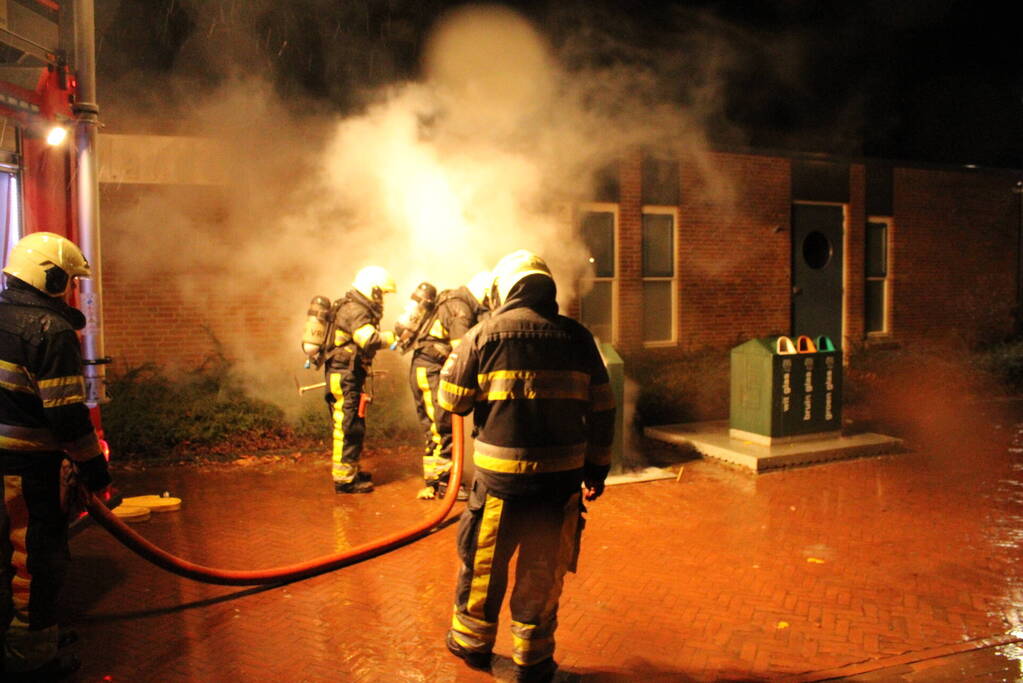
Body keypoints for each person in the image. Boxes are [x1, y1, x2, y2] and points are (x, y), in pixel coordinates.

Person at [438, 250, 615, 682]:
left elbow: (451, 401)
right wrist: (597, 469)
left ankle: (472, 644)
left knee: (484, 566)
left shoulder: (484, 334)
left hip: (501, 487)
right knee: (543, 571)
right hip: (560, 488)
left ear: (505, 288)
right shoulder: (579, 338)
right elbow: (604, 409)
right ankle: (533, 659)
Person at [0, 232, 111, 678]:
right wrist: (94, 468)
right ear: (48, 276)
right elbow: (66, 416)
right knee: (34, 562)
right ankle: (32, 657)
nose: (68, 289)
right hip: (27, 468)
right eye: (67, 280)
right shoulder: (52, 331)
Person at [409, 270, 490, 501]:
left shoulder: (457, 302)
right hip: (430, 370)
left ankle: (438, 480)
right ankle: (443, 483)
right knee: (440, 426)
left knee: (437, 426)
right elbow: (462, 350)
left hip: (429, 368)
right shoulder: (461, 309)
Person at [324, 265, 396, 493]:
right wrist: (395, 337)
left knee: (353, 425)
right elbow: (369, 339)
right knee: (347, 427)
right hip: (345, 376)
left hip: (349, 375)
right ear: (372, 290)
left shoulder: (356, 307)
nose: (382, 299)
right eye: (382, 293)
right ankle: (345, 481)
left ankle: (350, 471)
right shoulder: (354, 310)